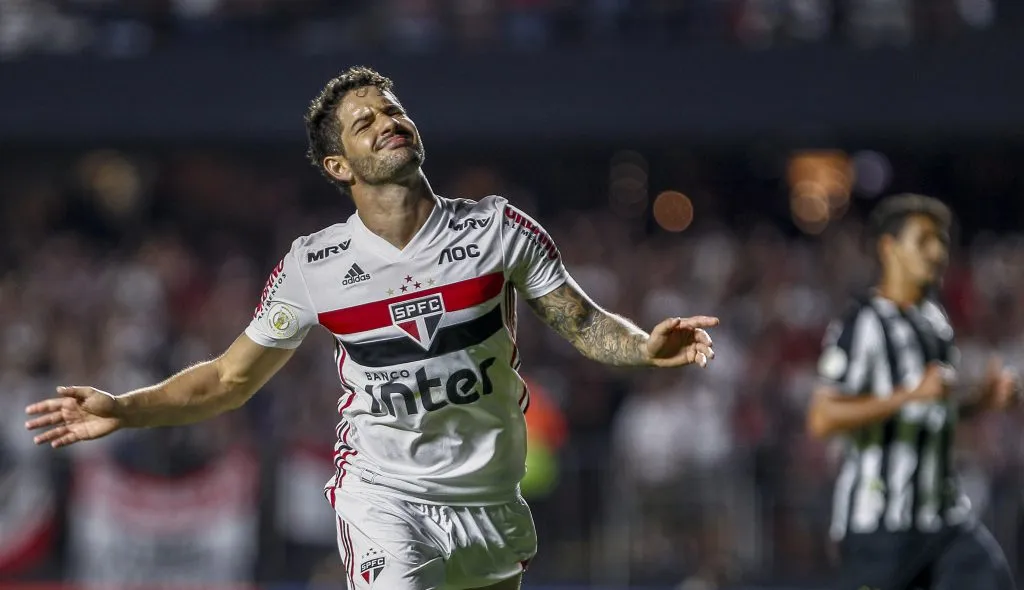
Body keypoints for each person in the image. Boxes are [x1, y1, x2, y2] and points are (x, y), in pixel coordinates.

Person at [25, 66, 719, 590]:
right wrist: (124, 407)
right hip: (384, 496)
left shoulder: (498, 229)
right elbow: (229, 378)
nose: (388, 121)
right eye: (365, 123)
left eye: (393, 110)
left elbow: (583, 322)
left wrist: (643, 346)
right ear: (339, 166)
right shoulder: (314, 264)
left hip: (490, 502)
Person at [806, 193, 1021, 590]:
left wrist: (982, 401)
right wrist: (907, 395)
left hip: (943, 519)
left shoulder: (934, 320)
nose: (937, 252)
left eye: (941, 241)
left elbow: (933, 412)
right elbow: (823, 417)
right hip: (879, 524)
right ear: (889, 248)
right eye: (923, 240)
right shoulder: (862, 324)